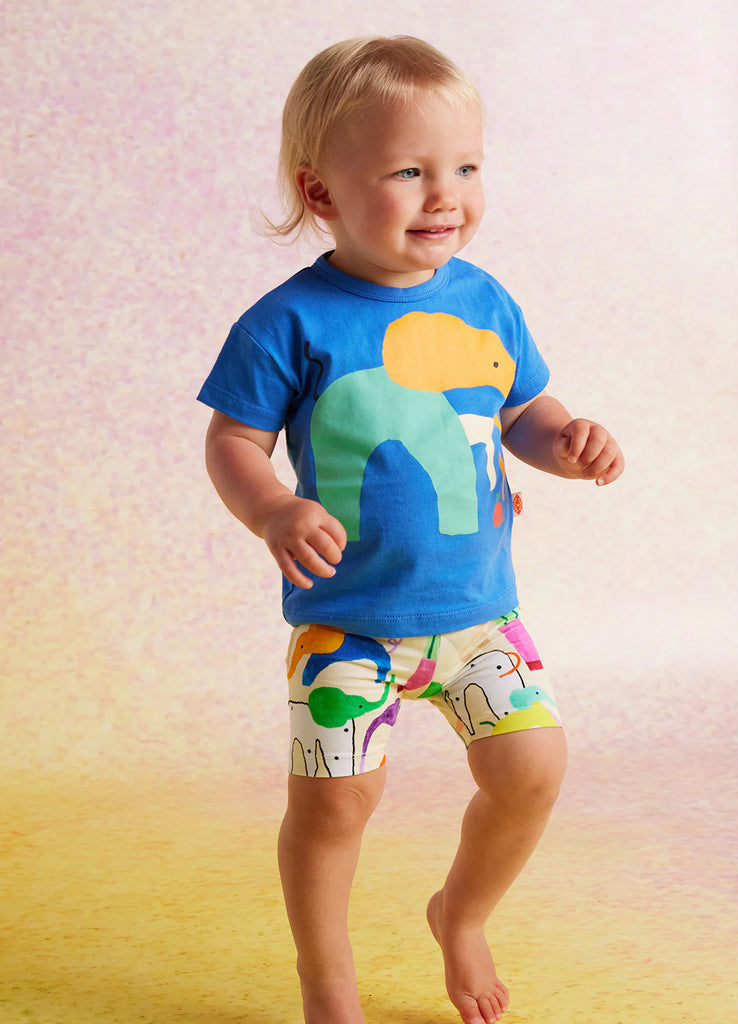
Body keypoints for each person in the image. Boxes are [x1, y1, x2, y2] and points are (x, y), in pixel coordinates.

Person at [198, 35, 624, 1024]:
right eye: (408, 172)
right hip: (348, 626)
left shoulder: (483, 300)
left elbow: (522, 411)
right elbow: (232, 442)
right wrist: (272, 506)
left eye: (465, 168)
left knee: (533, 768)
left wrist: (566, 441)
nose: (446, 196)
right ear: (320, 192)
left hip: (479, 615)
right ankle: (327, 981)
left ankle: (459, 915)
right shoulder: (287, 323)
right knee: (332, 806)